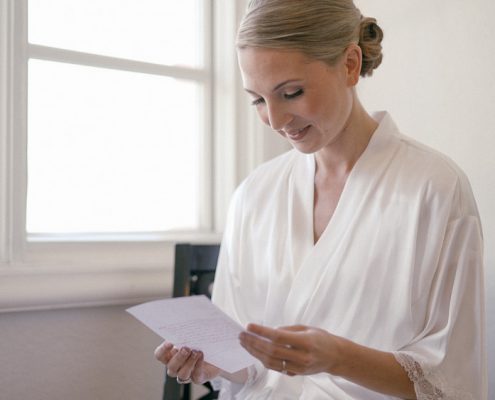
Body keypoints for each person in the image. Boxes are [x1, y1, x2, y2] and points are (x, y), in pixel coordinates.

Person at [155, 0, 486, 398]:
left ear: (349, 64)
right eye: (258, 100)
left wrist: (338, 357)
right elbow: (248, 365)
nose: (275, 121)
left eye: (291, 92)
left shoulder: (434, 189)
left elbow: (452, 382)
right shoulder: (253, 195)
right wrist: (216, 362)